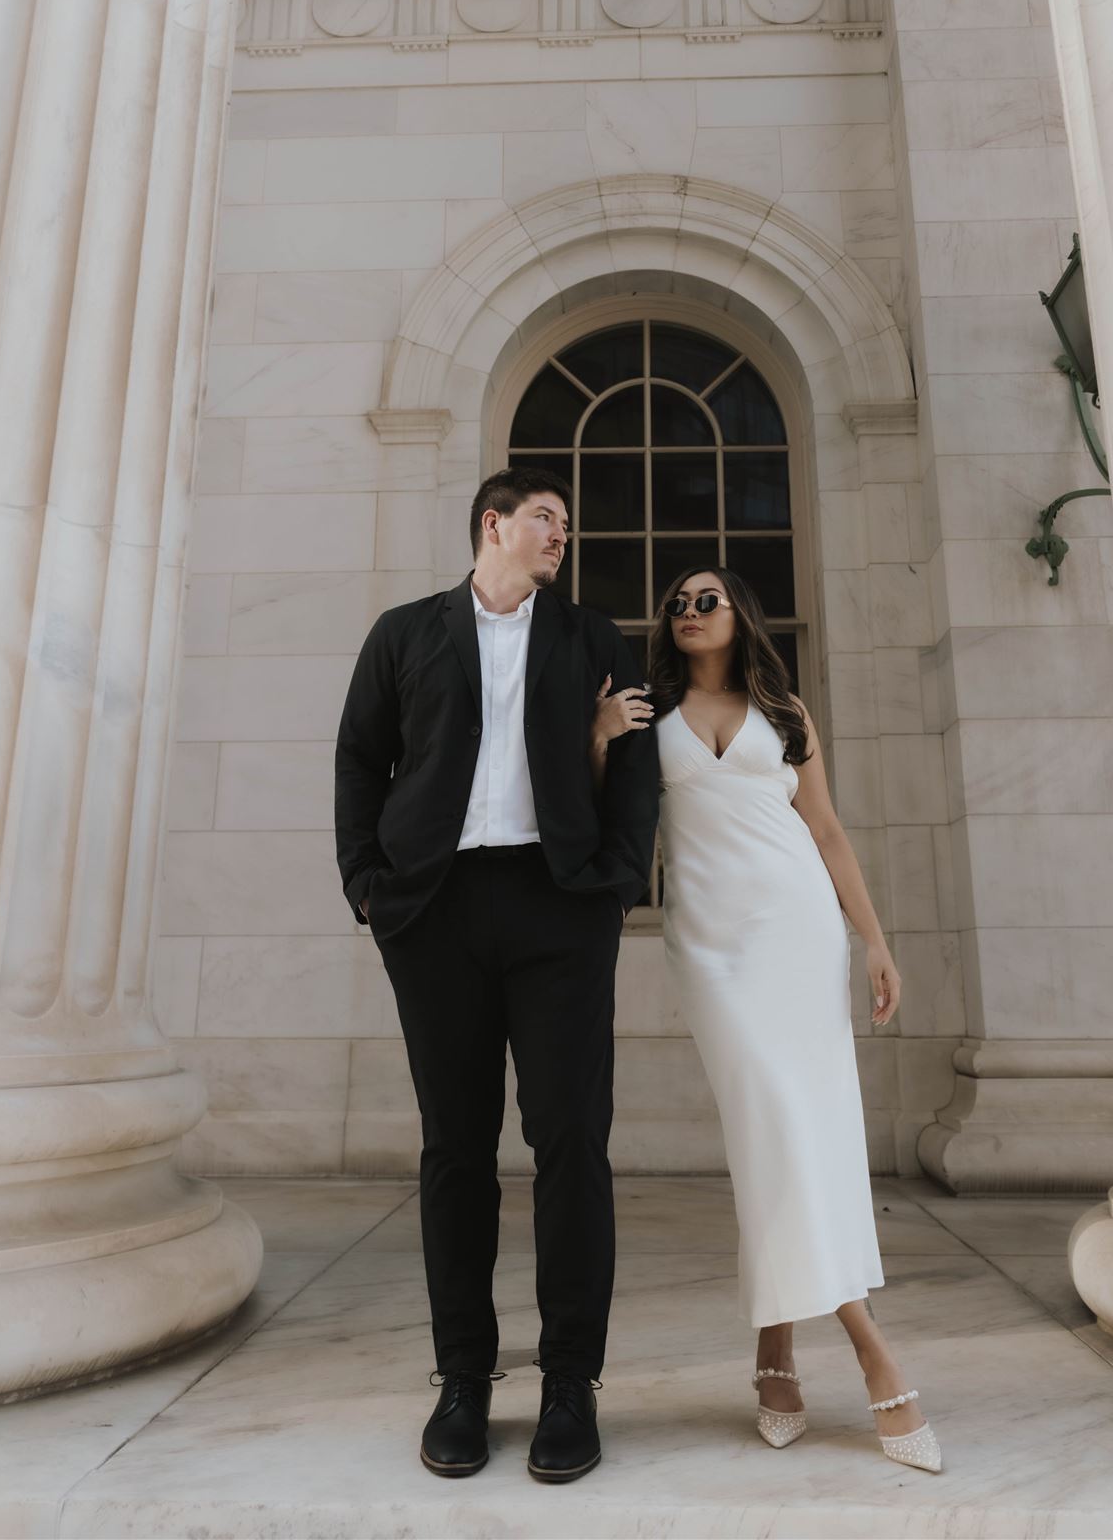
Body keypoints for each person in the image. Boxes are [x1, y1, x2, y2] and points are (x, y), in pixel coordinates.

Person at [336, 468, 658, 1485]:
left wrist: (614, 883)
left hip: (559, 906)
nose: (560, 532)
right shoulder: (405, 632)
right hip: (433, 912)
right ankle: (463, 1378)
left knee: (571, 1139)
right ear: (494, 525)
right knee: (454, 1148)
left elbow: (636, 757)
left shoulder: (592, 637)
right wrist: (367, 888)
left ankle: (571, 1381)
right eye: (544, 518)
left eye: (566, 519)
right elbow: (359, 758)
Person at [590, 566, 941, 1474]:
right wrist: (597, 740)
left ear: (740, 613)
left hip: (798, 935)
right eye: (675, 602)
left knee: (796, 1138)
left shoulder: (786, 713)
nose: (688, 611)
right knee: (771, 1129)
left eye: (706, 599)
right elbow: (606, 810)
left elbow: (825, 830)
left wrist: (873, 940)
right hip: (711, 948)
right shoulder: (642, 712)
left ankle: (776, 1354)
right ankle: (873, 1352)